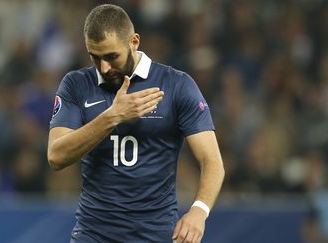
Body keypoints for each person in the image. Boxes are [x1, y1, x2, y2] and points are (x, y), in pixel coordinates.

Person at [47, 4, 225, 243]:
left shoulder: (177, 85)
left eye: (111, 56)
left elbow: (212, 161)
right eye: (95, 57)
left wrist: (199, 211)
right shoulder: (76, 85)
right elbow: (56, 156)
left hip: (156, 235)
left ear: (134, 42)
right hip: (93, 234)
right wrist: (113, 116)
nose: (104, 67)